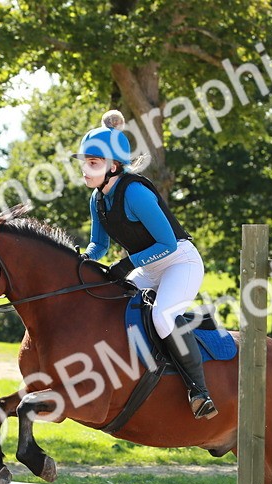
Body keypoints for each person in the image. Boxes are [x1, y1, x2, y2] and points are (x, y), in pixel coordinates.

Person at [72, 110, 217, 420]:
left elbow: (166, 244)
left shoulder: (135, 193)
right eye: (84, 162)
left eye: (93, 163)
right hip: (150, 267)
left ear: (113, 166)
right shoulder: (97, 199)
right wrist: (82, 259)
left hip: (180, 262)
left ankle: (200, 392)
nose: (86, 169)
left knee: (164, 317)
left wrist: (127, 265)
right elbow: (99, 245)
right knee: (109, 300)